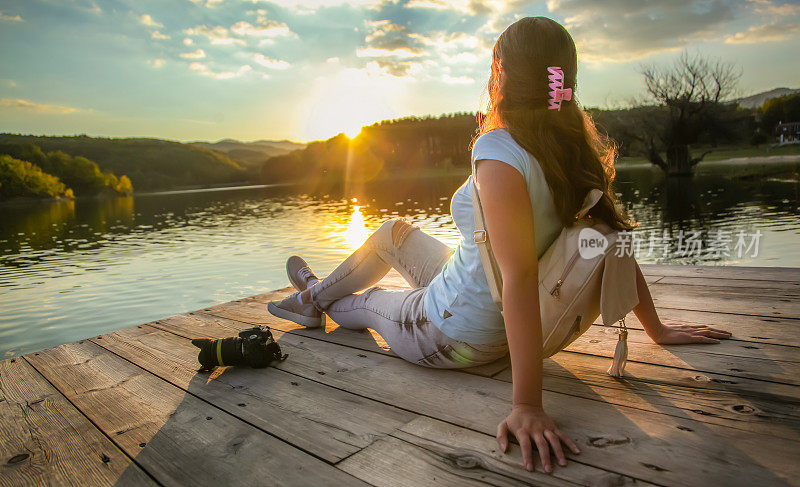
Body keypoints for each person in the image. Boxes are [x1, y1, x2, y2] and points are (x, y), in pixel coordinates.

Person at [268, 16, 731, 475]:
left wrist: (527, 404)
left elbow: (520, 276)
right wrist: (657, 328)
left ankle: (314, 297)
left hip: (449, 330)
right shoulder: (571, 148)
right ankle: (312, 295)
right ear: (562, 77)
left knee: (366, 302)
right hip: (473, 289)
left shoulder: (499, 151)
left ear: (502, 75)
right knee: (392, 233)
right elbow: (616, 239)